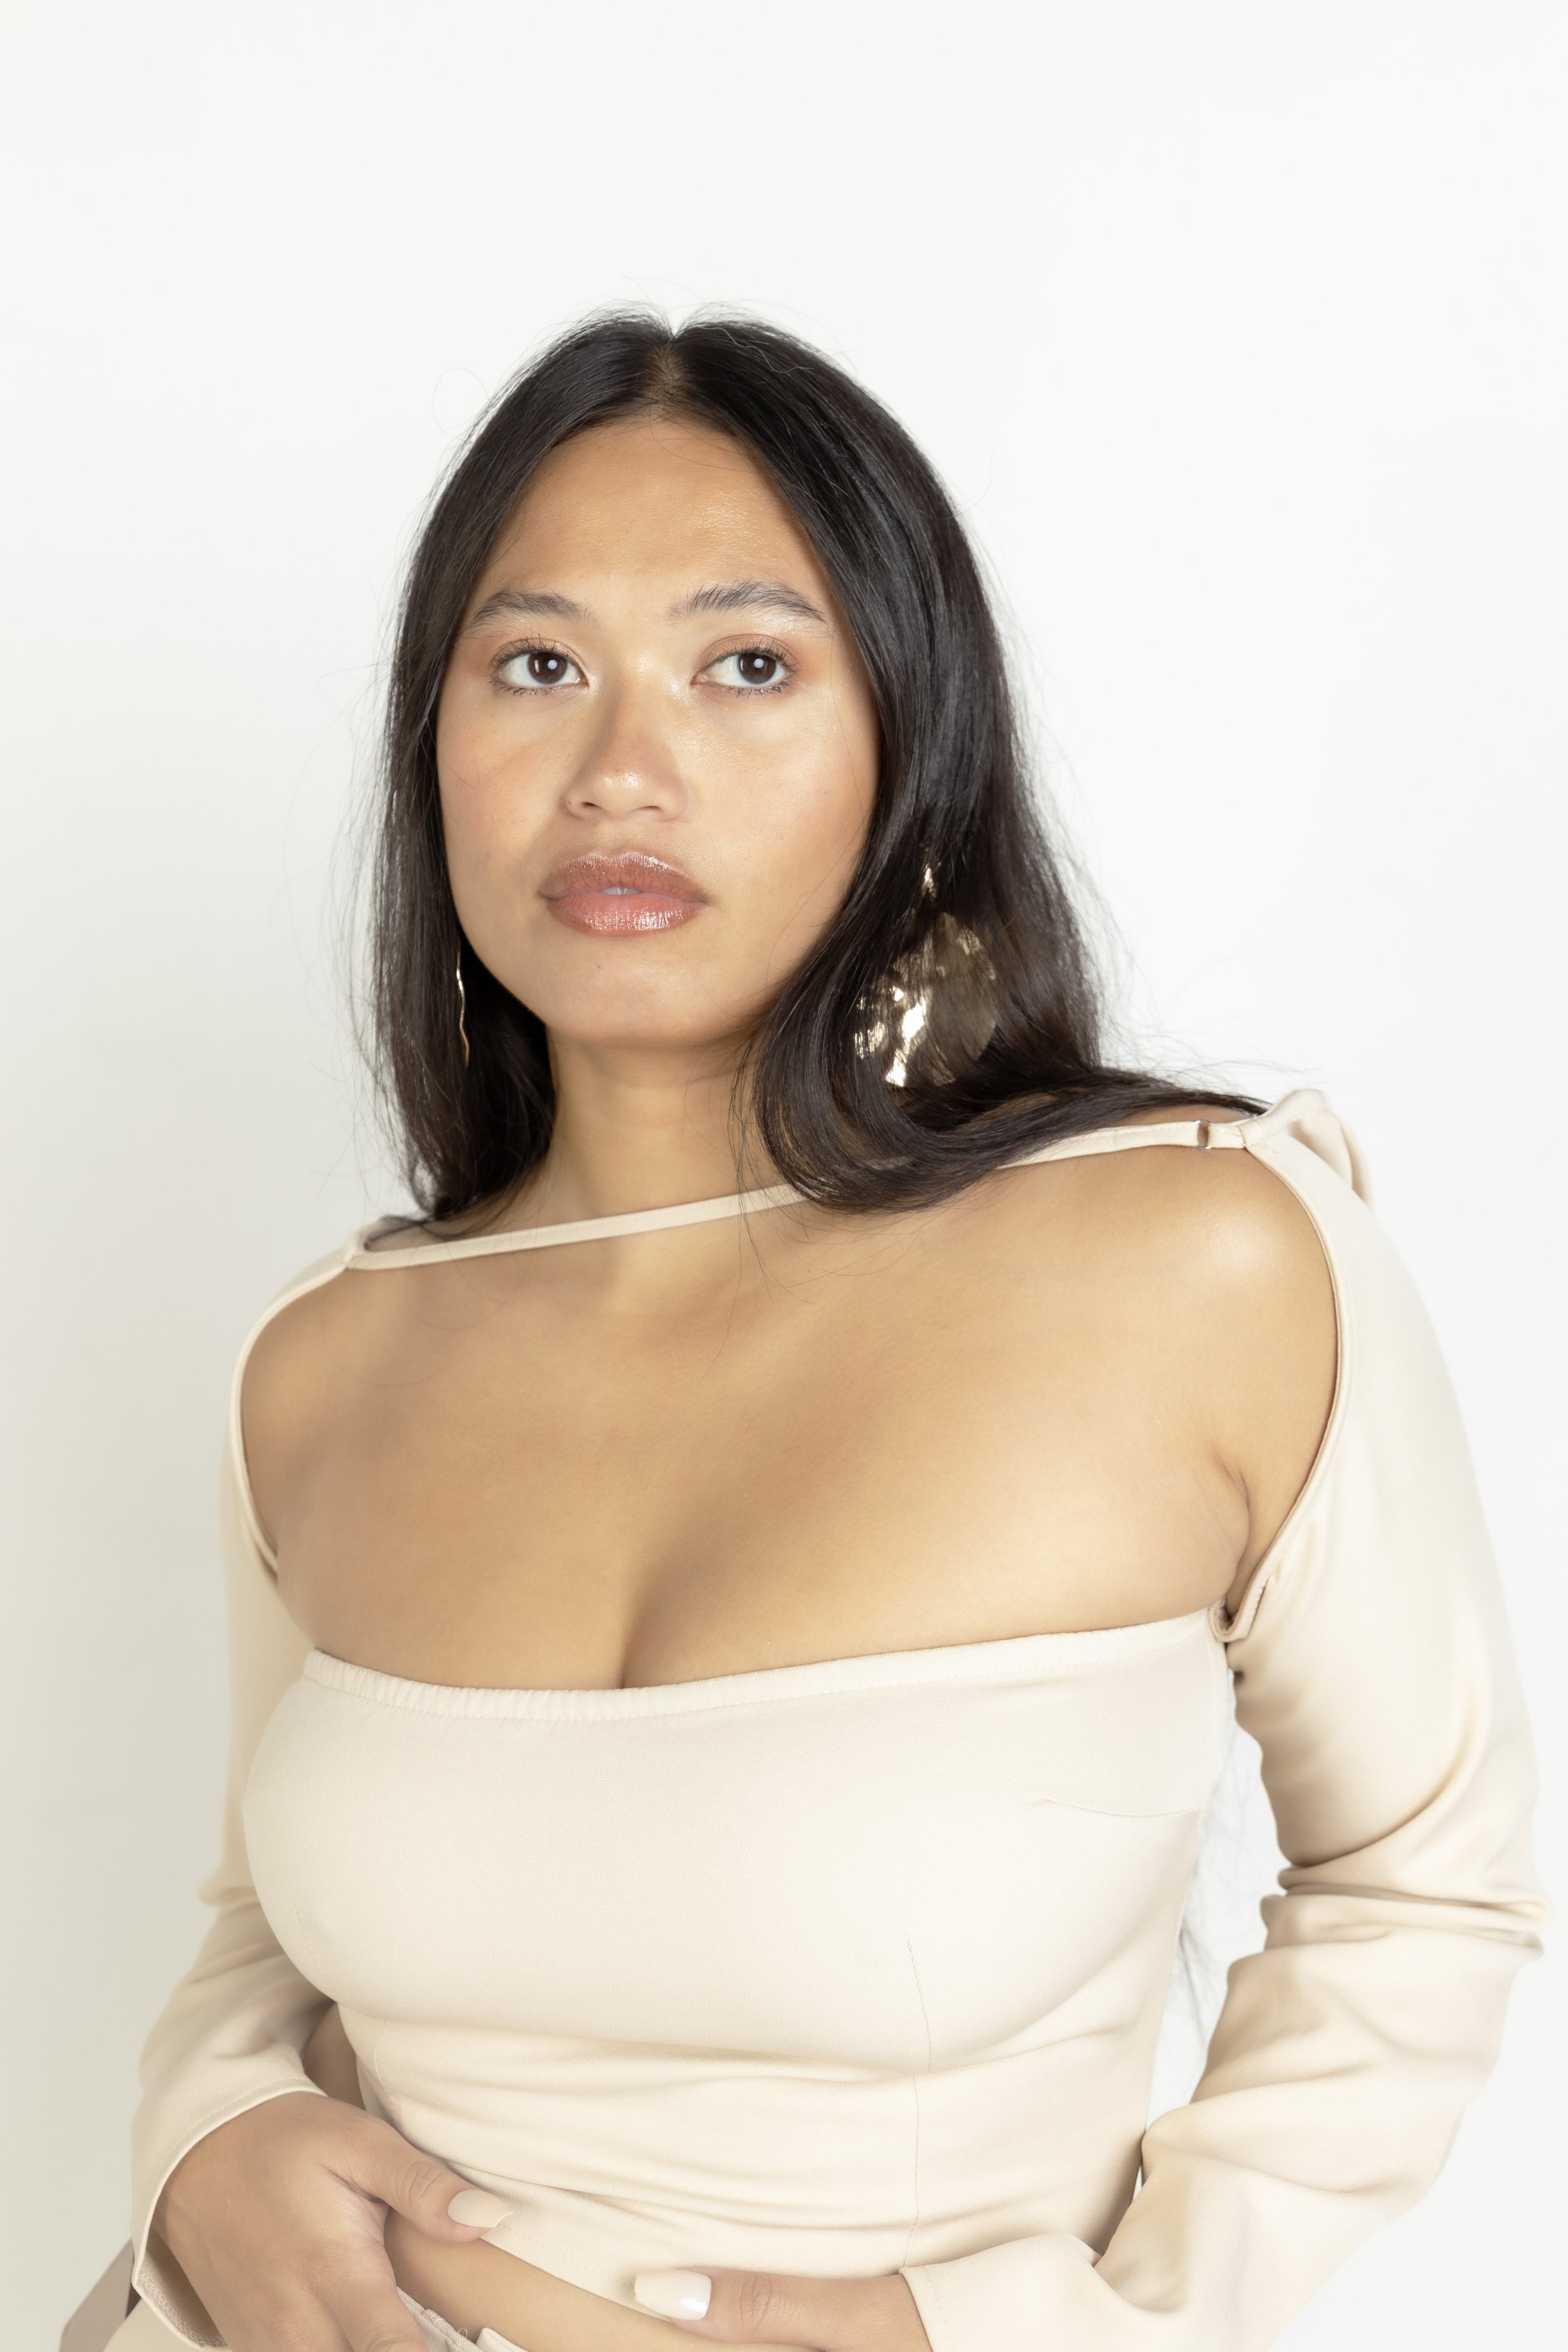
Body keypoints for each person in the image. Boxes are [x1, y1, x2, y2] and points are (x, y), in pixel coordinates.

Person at [101, 312, 1545, 2352]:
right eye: (535, 667)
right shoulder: (327, 1360)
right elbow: (265, 1930)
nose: (621, 768)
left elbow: (1427, 1891)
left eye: (746, 666)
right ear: (433, 749)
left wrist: (1058, 2331)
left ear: (911, 746)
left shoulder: (1201, 1253)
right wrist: (196, 2142)